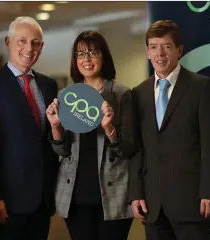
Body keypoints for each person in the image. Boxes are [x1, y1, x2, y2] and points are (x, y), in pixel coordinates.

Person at [129, 20, 210, 240]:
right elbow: (137, 149)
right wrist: (136, 194)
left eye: (167, 46)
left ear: (179, 51)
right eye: (153, 46)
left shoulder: (201, 87)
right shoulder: (139, 93)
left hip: (192, 204)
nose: (159, 53)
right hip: (153, 207)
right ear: (147, 52)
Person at [46, 30, 137, 240]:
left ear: (104, 56)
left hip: (113, 193)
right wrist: (56, 127)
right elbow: (62, 149)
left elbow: (129, 148)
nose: (86, 59)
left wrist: (109, 129)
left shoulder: (122, 94)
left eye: (93, 53)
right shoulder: (66, 96)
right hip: (75, 195)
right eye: (80, 54)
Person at [0, 16, 59, 240]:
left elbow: (49, 142)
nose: (28, 48)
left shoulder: (49, 85)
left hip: (41, 202)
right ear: (7, 43)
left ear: (41, 47)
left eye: (35, 43)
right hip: (5, 204)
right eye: (21, 41)